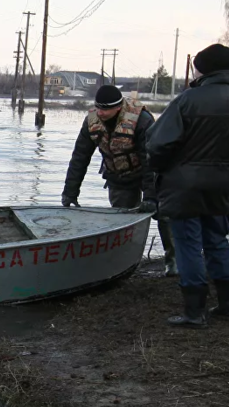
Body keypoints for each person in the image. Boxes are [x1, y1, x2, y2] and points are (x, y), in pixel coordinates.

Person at [145, 44, 229, 327]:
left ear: (202, 69)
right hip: (223, 182)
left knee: (188, 244)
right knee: (216, 238)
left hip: (183, 184)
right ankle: (227, 304)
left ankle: (194, 311)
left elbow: (157, 143)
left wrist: (163, 167)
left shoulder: (187, 101)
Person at [62, 84, 177, 276]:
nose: (101, 112)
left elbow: (151, 162)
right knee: (123, 220)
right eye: (98, 107)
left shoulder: (142, 120)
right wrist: (70, 192)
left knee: (164, 215)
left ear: (118, 107)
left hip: (149, 172)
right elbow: (79, 158)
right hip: (119, 176)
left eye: (105, 109)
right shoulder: (91, 122)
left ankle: (173, 260)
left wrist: (150, 197)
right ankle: (124, 263)